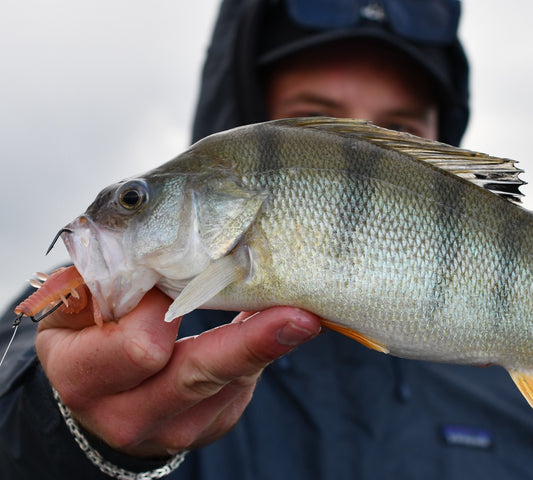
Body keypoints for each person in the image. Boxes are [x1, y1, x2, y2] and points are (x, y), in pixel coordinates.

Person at [2, 0, 533, 478]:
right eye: (308, 119)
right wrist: (65, 424)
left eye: (403, 133)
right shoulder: (71, 333)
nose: (360, 142)